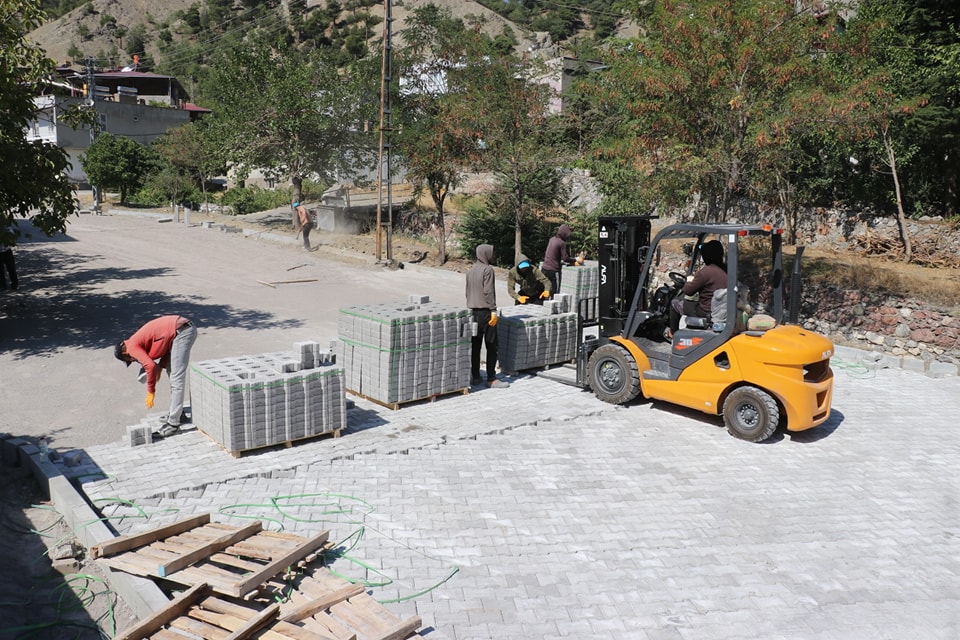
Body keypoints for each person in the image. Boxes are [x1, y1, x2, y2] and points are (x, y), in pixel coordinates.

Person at [115, 315, 198, 437]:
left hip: (182, 332)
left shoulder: (131, 347)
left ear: (124, 353)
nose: (133, 360)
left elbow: (150, 366)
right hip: (178, 332)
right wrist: (161, 367)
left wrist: (151, 392)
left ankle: (173, 424)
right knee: (171, 372)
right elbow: (166, 347)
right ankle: (178, 414)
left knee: (176, 378)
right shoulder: (138, 341)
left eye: (130, 359)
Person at [465, 244, 509, 389]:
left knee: (475, 346)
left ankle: (475, 376)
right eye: (491, 253)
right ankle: (491, 379)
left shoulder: (470, 271)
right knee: (491, 345)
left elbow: (467, 293)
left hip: (472, 312)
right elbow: (488, 291)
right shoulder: (488, 270)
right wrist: (493, 310)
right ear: (485, 254)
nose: (493, 255)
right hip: (486, 312)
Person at [666, 239, 727, 340]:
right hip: (723, 310)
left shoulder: (704, 272)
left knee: (675, 303)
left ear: (706, 256)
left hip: (706, 311)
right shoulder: (726, 269)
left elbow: (688, 291)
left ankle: (673, 333)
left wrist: (688, 282)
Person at [542, 223, 581, 294]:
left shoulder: (552, 239)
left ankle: (544, 304)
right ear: (564, 235)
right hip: (553, 270)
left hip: (544, 269)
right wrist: (575, 259)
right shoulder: (562, 243)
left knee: (545, 289)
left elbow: (553, 254)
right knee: (555, 291)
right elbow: (565, 258)